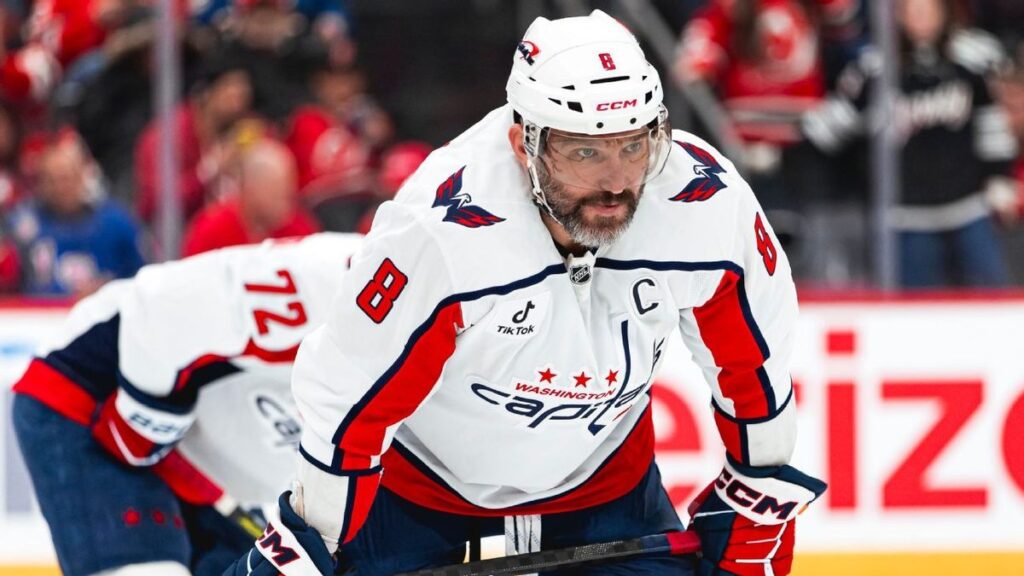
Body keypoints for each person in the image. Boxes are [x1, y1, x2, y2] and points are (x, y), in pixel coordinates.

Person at [227, 10, 825, 576]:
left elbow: (753, 363)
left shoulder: (702, 205)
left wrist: (757, 490)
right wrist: (311, 539)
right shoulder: (444, 230)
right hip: (420, 490)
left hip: (605, 481)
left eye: (632, 145)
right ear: (524, 145)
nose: (616, 181)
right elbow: (350, 398)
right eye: (585, 151)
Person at [11, 232, 363, 576]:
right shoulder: (348, 281)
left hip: (205, 467)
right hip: (95, 395)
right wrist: (141, 432)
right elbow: (167, 304)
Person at [802, 0, 1019, 287]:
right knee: (914, 306)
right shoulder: (876, 66)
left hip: (968, 208)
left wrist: (999, 176)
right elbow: (828, 127)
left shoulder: (971, 56)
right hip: (908, 215)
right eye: (912, 12)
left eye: (928, 11)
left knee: (992, 297)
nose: (920, 20)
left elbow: (992, 122)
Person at [6, 128, 144, 296]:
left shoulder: (117, 223)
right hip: (38, 320)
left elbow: (141, 278)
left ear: (83, 175)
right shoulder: (21, 226)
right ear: (40, 182)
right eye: (51, 179)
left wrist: (109, 290)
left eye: (66, 177)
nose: (60, 188)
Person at [182, 137, 321, 257]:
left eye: (288, 193)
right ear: (250, 188)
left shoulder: (299, 228)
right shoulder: (212, 229)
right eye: (277, 193)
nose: (286, 202)